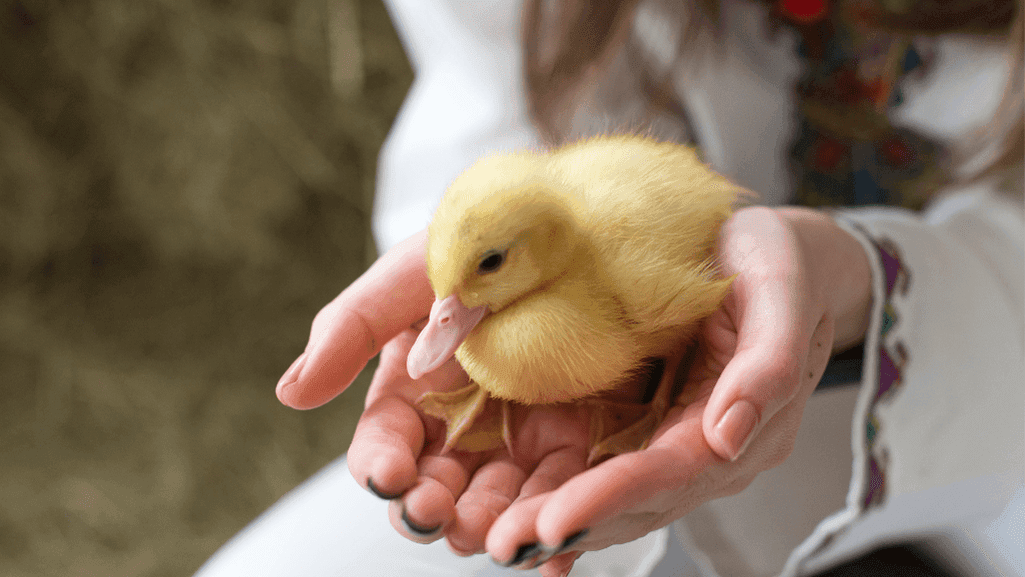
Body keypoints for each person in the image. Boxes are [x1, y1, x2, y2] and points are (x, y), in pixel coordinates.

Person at [195, 0, 1024, 575]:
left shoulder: (629, 286)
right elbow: (493, 87)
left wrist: (854, 280)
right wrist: (460, 270)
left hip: (982, 393)